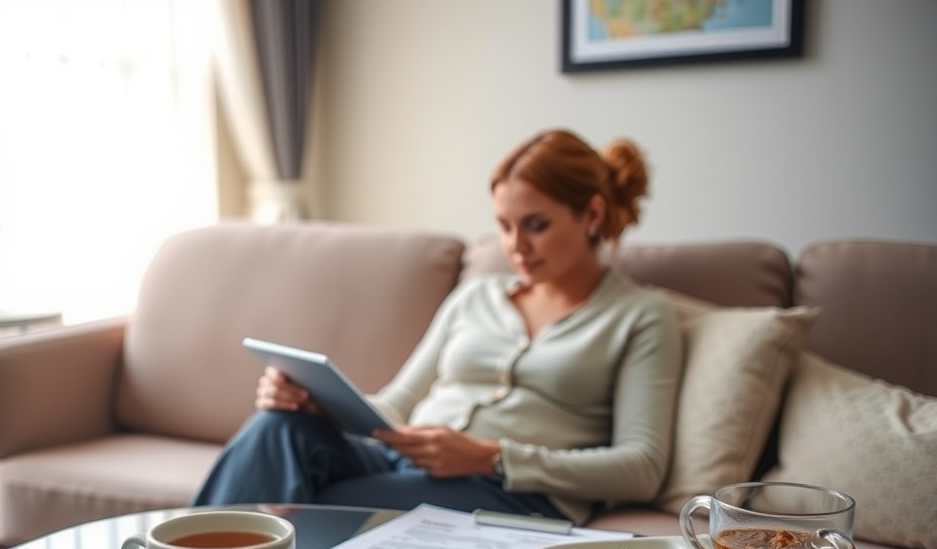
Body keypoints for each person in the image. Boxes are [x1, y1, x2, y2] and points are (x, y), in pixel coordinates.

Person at [191, 129, 683, 524]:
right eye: (504, 226)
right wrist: (318, 404)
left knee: (318, 500)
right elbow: (397, 404)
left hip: (515, 493)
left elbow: (641, 468)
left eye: (536, 225)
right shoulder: (476, 296)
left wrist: (490, 456)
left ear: (592, 215)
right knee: (277, 427)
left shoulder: (641, 316)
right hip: (403, 462)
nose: (517, 246)